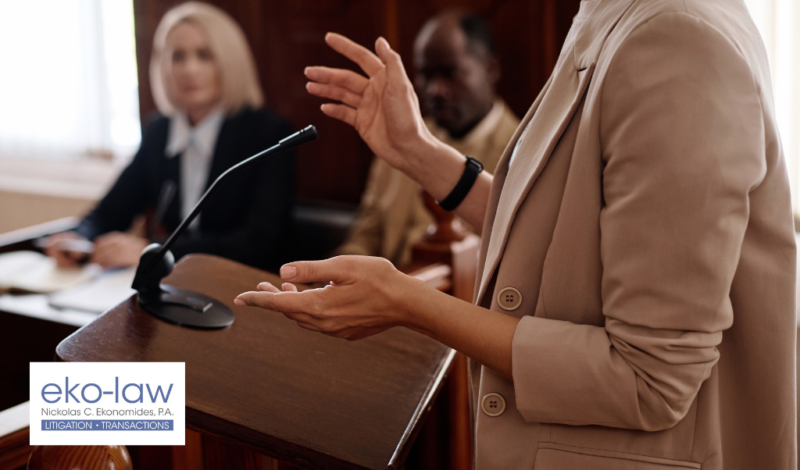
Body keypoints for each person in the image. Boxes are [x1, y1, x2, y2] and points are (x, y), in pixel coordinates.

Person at [237, 1, 796, 469]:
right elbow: (565, 235)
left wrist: (410, 303)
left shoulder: (676, 40)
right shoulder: (614, 16)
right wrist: (420, 153)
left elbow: (650, 378)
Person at [45, 2, 295, 272]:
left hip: (243, 287)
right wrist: (80, 238)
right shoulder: (160, 130)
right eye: (178, 56)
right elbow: (113, 209)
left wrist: (153, 250)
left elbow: (258, 243)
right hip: (176, 284)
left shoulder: (268, 134)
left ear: (228, 60)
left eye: (204, 55)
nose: (189, 69)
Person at [334, 11, 519, 266]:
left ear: (491, 69)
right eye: (426, 74)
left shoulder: (522, 153)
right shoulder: (398, 136)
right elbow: (366, 235)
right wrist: (334, 275)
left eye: (450, 72)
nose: (435, 90)